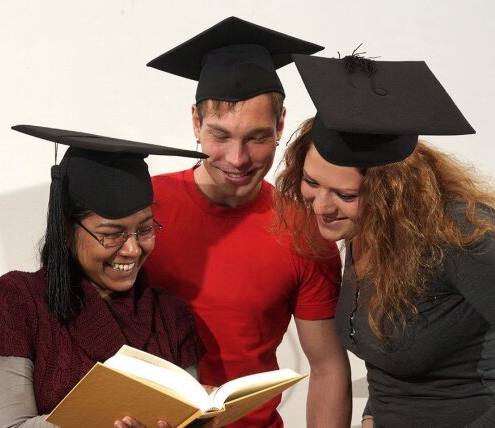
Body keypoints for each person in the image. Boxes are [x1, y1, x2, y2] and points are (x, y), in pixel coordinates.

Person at [276, 53, 495, 427]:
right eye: (312, 183)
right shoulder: (364, 229)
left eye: (345, 195)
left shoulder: (460, 233)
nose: (322, 207)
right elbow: (392, 356)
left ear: (390, 192)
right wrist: (371, 414)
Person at [143, 17, 351, 427]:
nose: (237, 159)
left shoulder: (307, 231)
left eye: (256, 137)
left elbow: (327, 367)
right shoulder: (141, 208)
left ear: (279, 125)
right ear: (196, 123)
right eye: (220, 136)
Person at [0, 126, 211, 428]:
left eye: (145, 229)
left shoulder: (171, 316)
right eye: (111, 235)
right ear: (67, 230)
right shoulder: (18, 300)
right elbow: (10, 426)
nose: (133, 249)